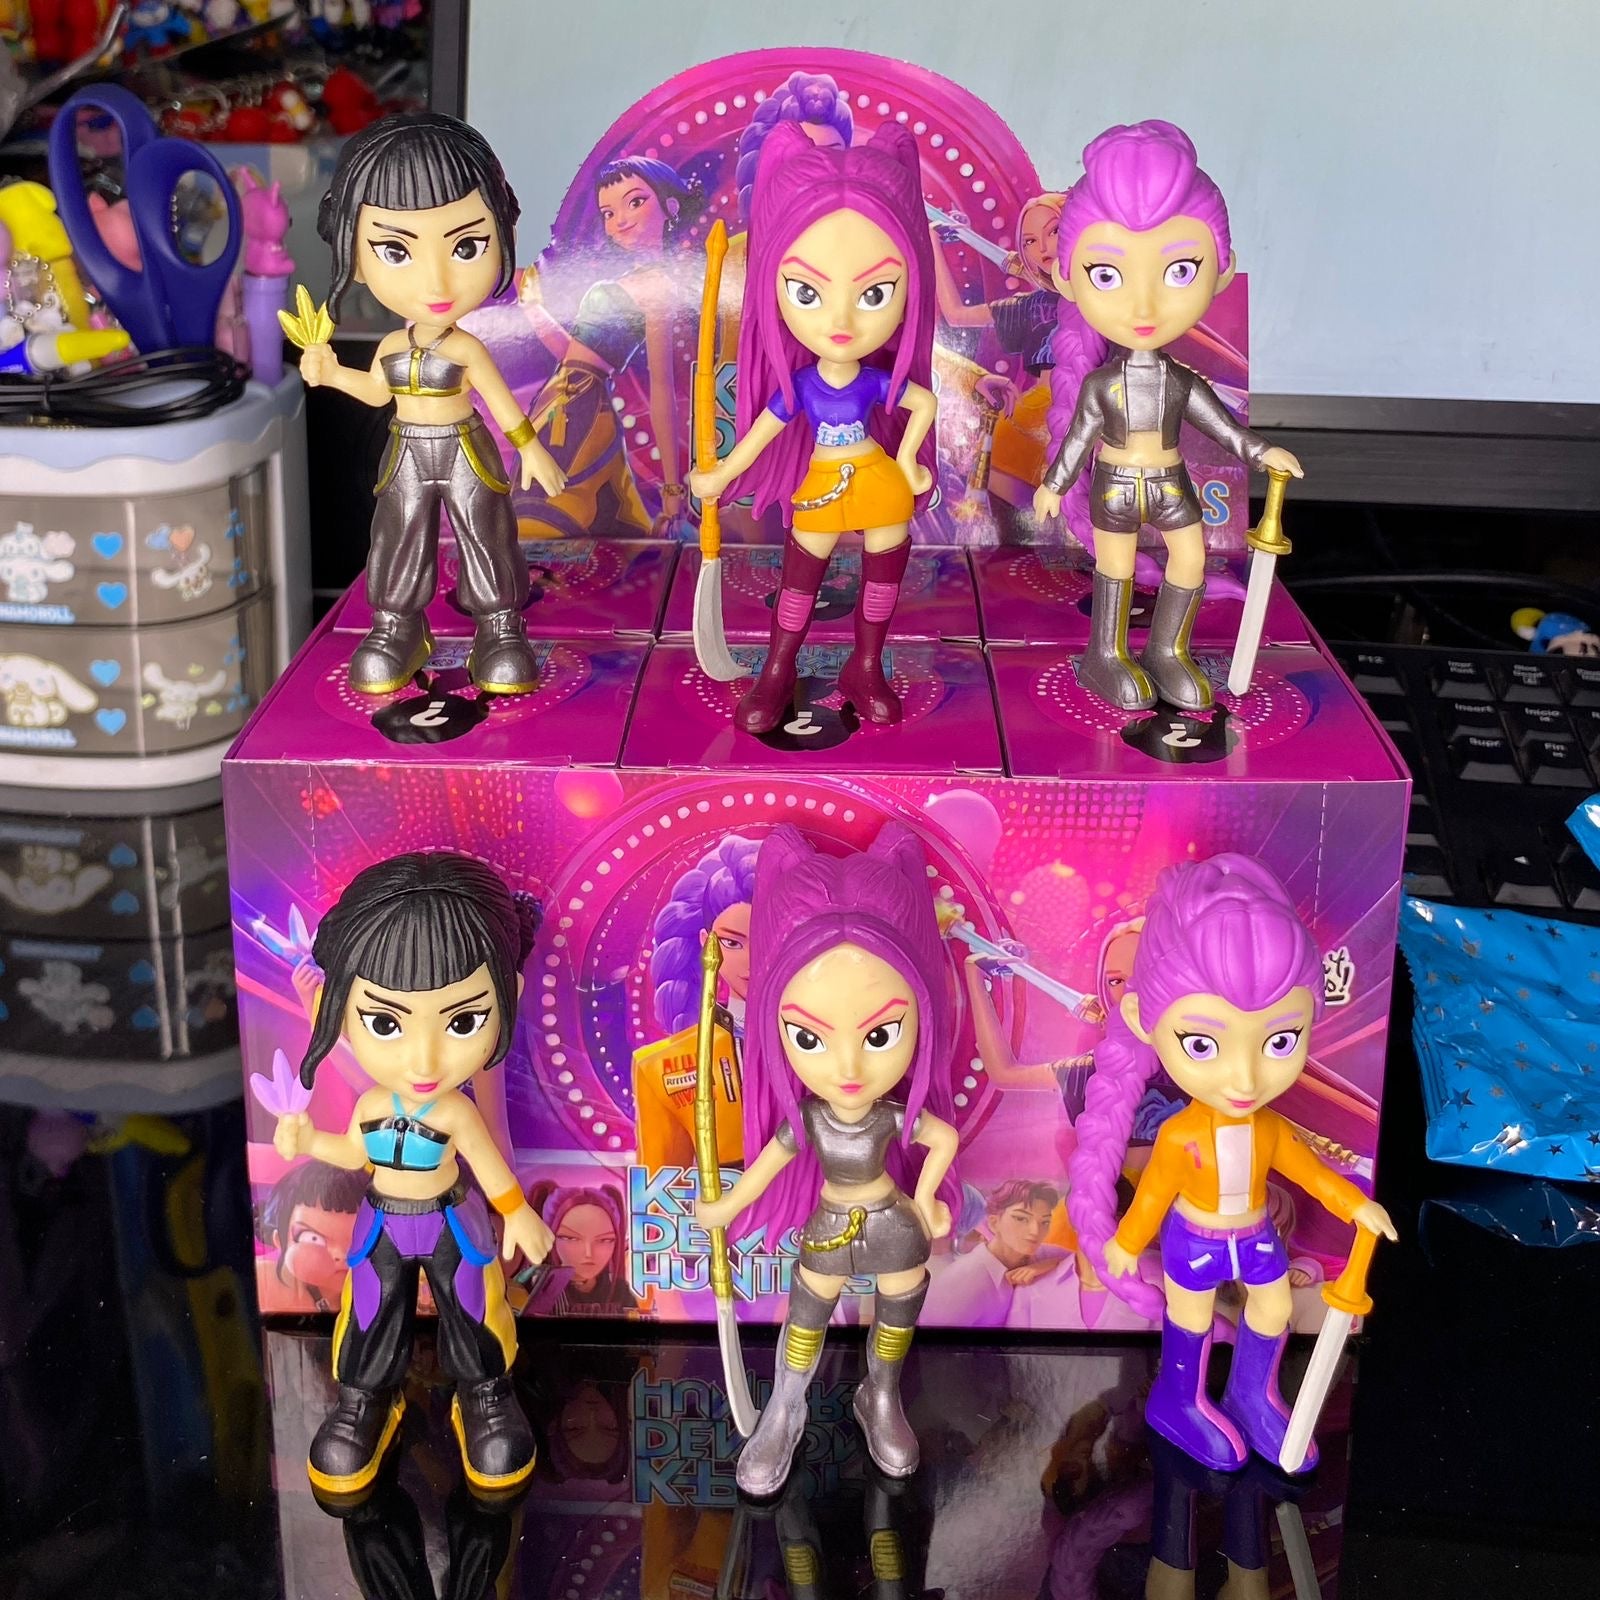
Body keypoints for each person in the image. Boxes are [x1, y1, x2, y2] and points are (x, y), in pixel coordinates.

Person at [1066, 853, 1397, 1472]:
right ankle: (1177, 1400)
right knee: (1189, 1315)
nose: (1244, 1079)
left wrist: (1356, 1204)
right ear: (1142, 1019)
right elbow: (1153, 1194)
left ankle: (1252, 1395)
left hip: (1256, 1235)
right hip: (1194, 1238)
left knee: (1272, 1309)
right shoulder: (1180, 1136)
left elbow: (1312, 1174)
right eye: (1203, 1044)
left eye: (1279, 1041)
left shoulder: (1269, 1128)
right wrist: (1126, 1243)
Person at [271, 852, 554, 1494]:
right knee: (371, 1307)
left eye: (462, 1021)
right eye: (385, 1023)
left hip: (452, 1218)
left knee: (473, 1306)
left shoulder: (456, 1110)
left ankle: (484, 1394)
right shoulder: (372, 1106)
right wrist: (306, 1138)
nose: (424, 1060)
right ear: (339, 1008)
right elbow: (353, 1153)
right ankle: (365, 1399)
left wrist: (516, 1212)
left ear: (507, 997)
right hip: (382, 1223)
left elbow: (487, 1161)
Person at [694, 824, 961, 1494]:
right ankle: (786, 1407)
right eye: (808, 1037)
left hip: (894, 1224)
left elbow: (943, 1140)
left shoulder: (891, 1113)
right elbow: (772, 1162)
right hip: (830, 1225)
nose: (847, 1067)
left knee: (900, 1304)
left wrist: (928, 1197)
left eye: (881, 1034)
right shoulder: (811, 1118)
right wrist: (729, 1205)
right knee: (807, 1311)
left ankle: (881, 1393)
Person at [1033, 122, 1303, 713]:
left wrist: (1261, 452)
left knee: (1191, 558)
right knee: (1116, 565)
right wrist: (1054, 485)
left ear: (1222, 271)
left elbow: (1222, 427)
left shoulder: (1181, 382)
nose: (1144, 305)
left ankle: (1167, 650)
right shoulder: (1103, 384)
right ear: (1066, 279)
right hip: (1115, 483)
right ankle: (1105, 655)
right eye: (1107, 276)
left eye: (1180, 270)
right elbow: (1079, 435)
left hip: (1170, 481)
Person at [295, 113, 566, 695]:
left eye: (467, 246)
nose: (437, 283)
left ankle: (500, 624)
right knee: (399, 530)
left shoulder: (466, 348)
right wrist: (331, 373)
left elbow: (500, 403)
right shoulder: (391, 347)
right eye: (396, 251)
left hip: (465, 447)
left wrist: (531, 449)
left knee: (484, 527)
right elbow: (376, 392)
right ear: (354, 256)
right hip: (406, 453)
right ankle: (397, 625)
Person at [688, 123, 938, 733]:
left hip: (880, 479)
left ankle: (866, 667)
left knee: (882, 577)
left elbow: (923, 403)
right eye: (807, 292)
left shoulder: (873, 380)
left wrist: (909, 459)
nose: (841, 321)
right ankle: (778, 669)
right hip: (823, 484)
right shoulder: (801, 386)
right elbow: (763, 433)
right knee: (800, 582)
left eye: (875, 293)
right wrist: (721, 473)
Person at [517, 154, 708, 538]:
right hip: (568, 399)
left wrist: (672, 488)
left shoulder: (658, 286)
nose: (620, 220)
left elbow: (662, 388)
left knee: (544, 512)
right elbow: (573, 356)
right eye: (608, 212)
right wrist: (533, 308)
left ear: (670, 207)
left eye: (635, 202)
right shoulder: (635, 278)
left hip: (578, 409)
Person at [631, 835, 758, 1170]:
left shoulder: (836, 1053)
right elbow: (662, 1185)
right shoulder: (661, 1067)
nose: (752, 961)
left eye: (770, 939)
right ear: (706, 942)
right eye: (732, 943)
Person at [257, 1159, 368, 1313]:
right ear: (280, 1242)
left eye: (364, 1239)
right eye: (313, 1238)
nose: (342, 1255)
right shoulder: (262, 1282)